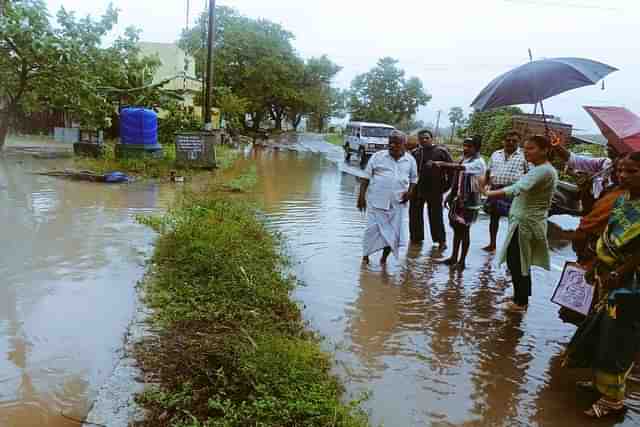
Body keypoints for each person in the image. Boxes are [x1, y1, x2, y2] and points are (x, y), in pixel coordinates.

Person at [562, 152, 640, 418]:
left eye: (632, 171)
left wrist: (619, 273)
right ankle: (599, 383)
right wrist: (596, 263)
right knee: (600, 332)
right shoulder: (622, 200)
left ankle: (614, 400)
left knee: (618, 340)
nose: (624, 176)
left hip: (630, 286)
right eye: (621, 170)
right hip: (608, 276)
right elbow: (609, 232)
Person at [485, 135, 558, 311]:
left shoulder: (542, 170)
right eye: (525, 148)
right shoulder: (541, 169)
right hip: (524, 220)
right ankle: (520, 296)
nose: (526, 152)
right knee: (518, 260)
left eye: (531, 148)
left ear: (544, 150)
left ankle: (520, 301)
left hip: (526, 222)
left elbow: (517, 188)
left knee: (517, 260)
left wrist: (488, 193)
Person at [358, 130, 418, 265]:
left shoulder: (410, 160)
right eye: (390, 142)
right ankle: (365, 257)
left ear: (404, 144)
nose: (392, 145)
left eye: (396, 143)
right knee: (371, 232)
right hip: (376, 203)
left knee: (392, 234)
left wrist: (410, 192)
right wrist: (361, 197)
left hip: (397, 204)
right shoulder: (378, 156)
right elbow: (366, 177)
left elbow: (414, 178)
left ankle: (383, 259)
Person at [433, 136, 486, 270]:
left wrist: (442, 164)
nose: (465, 149)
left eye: (469, 146)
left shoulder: (478, 162)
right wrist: (450, 195)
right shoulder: (465, 158)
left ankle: (462, 262)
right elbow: (457, 180)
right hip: (458, 200)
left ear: (477, 148)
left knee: (464, 231)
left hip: (470, 202)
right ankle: (453, 257)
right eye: (464, 145)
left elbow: (460, 168)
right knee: (456, 229)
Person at [483, 131, 529, 252]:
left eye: (514, 141)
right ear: (503, 141)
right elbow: (488, 171)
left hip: (514, 191)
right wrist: (485, 186)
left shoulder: (525, 155)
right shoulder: (495, 154)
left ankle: (511, 247)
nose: (510, 143)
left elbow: (529, 174)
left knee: (513, 220)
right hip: (495, 189)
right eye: (508, 140)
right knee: (494, 217)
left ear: (519, 142)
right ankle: (492, 244)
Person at [409, 129, 453, 248]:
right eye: (421, 138)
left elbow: (452, 170)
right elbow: (408, 171)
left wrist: (446, 187)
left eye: (426, 138)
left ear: (431, 139)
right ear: (418, 140)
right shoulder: (415, 152)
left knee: (436, 215)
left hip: (435, 189)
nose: (424, 140)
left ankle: (441, 241)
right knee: (414, 214)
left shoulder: (441, 151)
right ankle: (415, 239)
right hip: (417, 189)